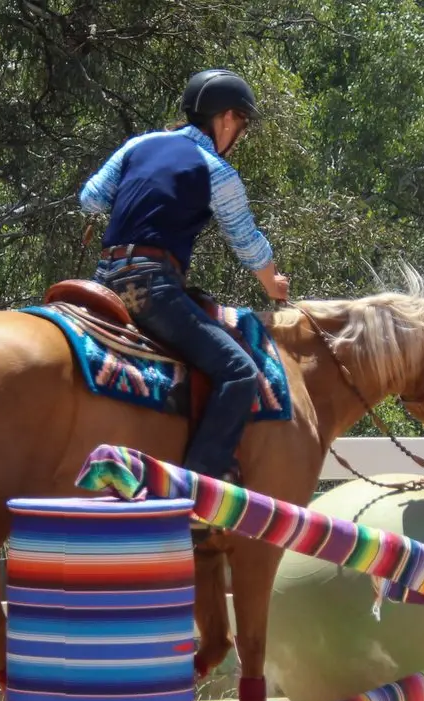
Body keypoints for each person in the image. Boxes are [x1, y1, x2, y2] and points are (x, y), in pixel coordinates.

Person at [78, 68, 289, 484]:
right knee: (240, 372)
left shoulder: (138, 144)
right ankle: (197, 490)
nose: (239, 137)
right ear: (227, 118)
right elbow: (246, 241)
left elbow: (90, 199)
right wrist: (272, 284)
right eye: (241, 126)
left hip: (104, 280)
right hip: (149, 287)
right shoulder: (217, 171)